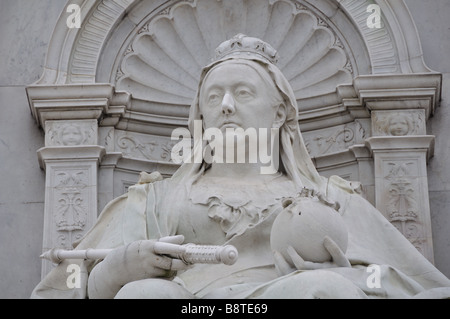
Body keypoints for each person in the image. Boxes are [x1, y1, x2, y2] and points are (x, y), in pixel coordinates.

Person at [31, 34, 450, 299]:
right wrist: (115, 271)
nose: (226, 106)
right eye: (214, 98)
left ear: (281, 111)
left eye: (243, 92)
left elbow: (425, 289)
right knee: (143, 294)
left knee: (319, 287)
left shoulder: (329, 199)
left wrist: (349, 275)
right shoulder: (152, 202)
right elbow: (58, 292)